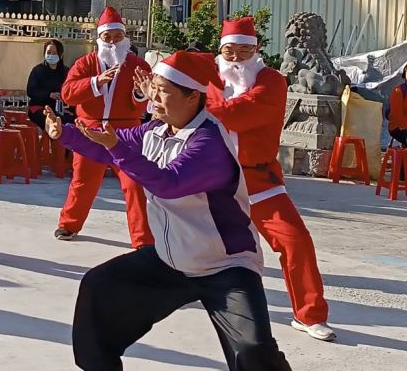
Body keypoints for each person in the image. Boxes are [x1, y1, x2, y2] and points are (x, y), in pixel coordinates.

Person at [46, 51, 292, 371]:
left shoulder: (210, 143)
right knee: (98, 288)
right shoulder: (155, 131)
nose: (153, 97)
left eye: (163, 90)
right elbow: (106, 144)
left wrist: (116, 148)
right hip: (170, 258)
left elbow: (169, 183)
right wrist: (64, 133)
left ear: (192, 96)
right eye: (154, 87)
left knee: (253, 352)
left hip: (225, 266)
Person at [209, 17, 335, 342]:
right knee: (185, 240)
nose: (236, 57)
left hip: (261, 180)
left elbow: (241, 113)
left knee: (296, 242)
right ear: (220, 50)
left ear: (257, 50)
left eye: (244, 50)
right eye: (229, 50)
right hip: (214, 180)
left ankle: (309, 314)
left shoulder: (273, 81)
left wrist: (203, 106)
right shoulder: (209, 81)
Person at [54, 7, 153, 247]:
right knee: (83, 181)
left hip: (127, 133)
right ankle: (69, 224)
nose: (112, 42)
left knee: (134, 184)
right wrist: (95, 82)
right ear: (99, 38)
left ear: (125, 38)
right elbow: (68, 94)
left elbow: (146, 102)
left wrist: (140, 93)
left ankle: (142, 239)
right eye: (107, 37)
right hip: (91, 131)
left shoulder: (138, 65)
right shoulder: (85, 63)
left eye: (117, 36)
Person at [26, 39, 70, 130]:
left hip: (60, 108)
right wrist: (49, 95)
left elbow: (71, 89)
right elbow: (31, 91)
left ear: (60, 55)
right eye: (49, 52)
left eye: (54, 53)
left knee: (70, 120)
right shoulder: (37, 70)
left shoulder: (66, 72)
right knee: (51, 121)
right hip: (40, 108)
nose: (51, 55)